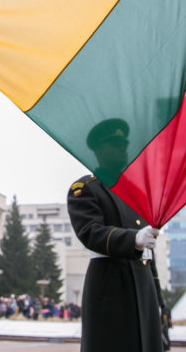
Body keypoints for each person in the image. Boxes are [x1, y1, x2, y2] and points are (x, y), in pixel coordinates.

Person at [67, 118, 166, 351]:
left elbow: (149, 256)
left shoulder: (136, 194)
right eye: (115, 144)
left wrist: (158, 299)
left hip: (143, 290)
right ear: (99, 150)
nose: (123, 148)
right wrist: (133, 239)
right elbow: (90, 232)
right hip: (111, 288)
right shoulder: (85, 189)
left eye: (124, 144)